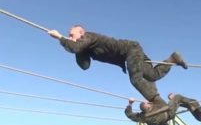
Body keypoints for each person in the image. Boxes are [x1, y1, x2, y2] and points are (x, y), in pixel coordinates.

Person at [48, 25, 188, 106]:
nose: (70, 37)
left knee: (136, 80)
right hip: (129, 55)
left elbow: (75, 47)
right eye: (69, 36)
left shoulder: (89, 36)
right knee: (151, 75)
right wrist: (76, 48)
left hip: (130, 50)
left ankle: (160, 104)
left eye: (72, 35)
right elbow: (85, 65)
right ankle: (172, 59)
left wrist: (60, 38)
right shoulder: (84, 48)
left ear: (81, 33)